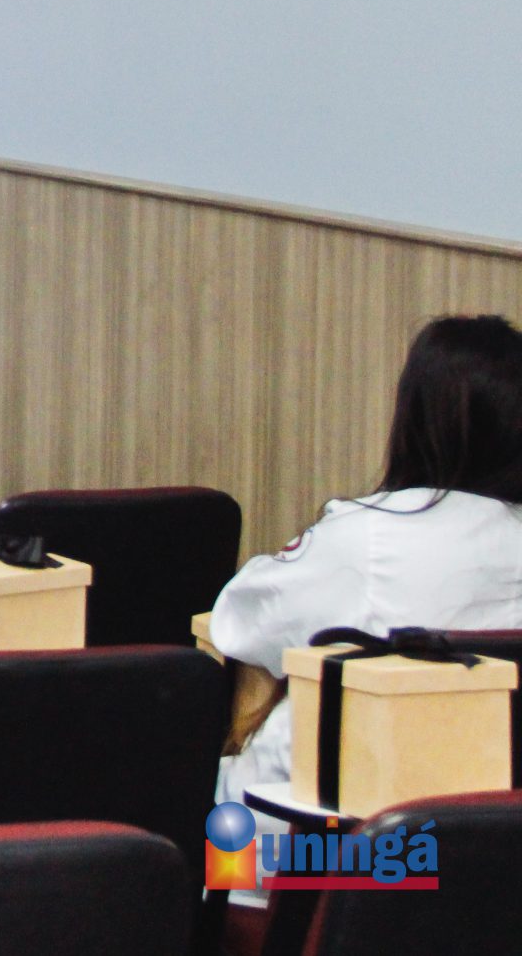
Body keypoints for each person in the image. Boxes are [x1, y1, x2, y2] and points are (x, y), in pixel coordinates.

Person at [211, 315, 522, 834]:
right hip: (489, 844)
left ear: (415, 420)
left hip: (331, 841)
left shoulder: (367, 538)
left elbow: (240, 625)